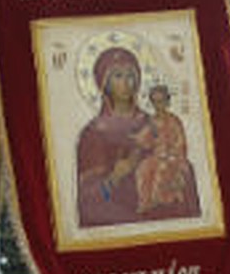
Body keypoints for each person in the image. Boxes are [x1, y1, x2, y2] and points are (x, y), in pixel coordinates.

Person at [76, 47, 156, 229]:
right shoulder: (94, 133)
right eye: (118, 76)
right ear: (104, 82)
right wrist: (114, 177)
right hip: (117, 215)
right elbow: (86, 199)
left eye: (130, 75)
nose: (126, 82)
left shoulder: (151, 124)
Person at [133, 83, 200, 217]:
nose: (159, 105)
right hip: (157, 155)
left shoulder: (174, 120)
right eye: (155, 102)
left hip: (173, 156)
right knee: (143, 169)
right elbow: (145, 139)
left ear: (167, 102)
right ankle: (145, 202)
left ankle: (160, 201)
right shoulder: (151, 121)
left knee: (162, 169)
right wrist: (138, 139)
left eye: (162, 101)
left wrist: (173, 154)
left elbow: (180, 141)